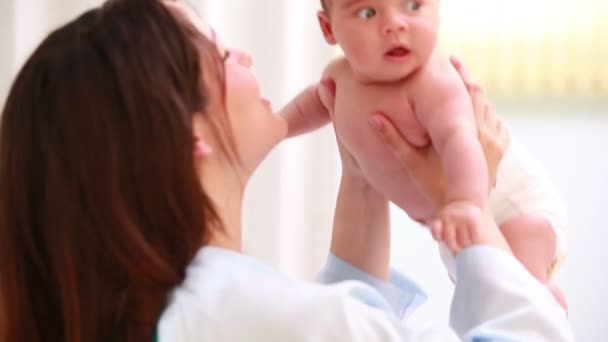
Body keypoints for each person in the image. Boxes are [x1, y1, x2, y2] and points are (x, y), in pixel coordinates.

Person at [0, 0, 572, 341]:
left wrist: (363, 175)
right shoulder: (262, 316)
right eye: (223, 56)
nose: (245, 58)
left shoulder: (195, 309)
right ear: (189, 134)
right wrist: (479, 229)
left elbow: (350, 305)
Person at [283, 0, 569, 307]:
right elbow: (314, 104)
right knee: (481, 291)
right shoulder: (339, 76)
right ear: (329, 28)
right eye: (367, 13)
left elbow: (458, 139)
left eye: (413, 5)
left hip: (511, 207)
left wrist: (464, 202)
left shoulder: (433, 81)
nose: (395, 24)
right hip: (451, 220)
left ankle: (542, 297)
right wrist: (279, 125)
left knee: (517, 275)